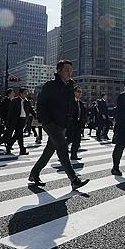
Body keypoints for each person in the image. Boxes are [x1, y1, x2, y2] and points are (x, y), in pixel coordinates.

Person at [29, 60, 89, 191]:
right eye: (67, 69)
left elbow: (71, 106)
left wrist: (71, 124)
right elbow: (41, 104)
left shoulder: (70, 86)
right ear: (59, 70)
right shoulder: (50, 85)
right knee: (62, 149)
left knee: (49, 151)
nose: (70, 72)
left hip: (63, 124)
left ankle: (34, 173)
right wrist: (46, 121)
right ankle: (74, 179)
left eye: (71, 70)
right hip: (51, 123)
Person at [5, 87, 36, 155]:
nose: (26, 94)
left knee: (18, 135)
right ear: (20, 93)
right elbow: (10, 112)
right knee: (19, 134)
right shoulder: (14, 100)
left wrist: (36, 116)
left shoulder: (27, 101)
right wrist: (8, 121)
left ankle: (10, 146)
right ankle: (21, 149)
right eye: (24, 93)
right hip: (16, 120)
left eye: (26, 93)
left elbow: (31, 109)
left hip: (23, 120)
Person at [68, 85, 86, 160]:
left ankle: (73, 155)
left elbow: (82, 114)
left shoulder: (80, 103)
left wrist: (83, 124)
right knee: (69, 140)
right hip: (71, 124)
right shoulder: (70, 101)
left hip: (78, 124)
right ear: (74, 92)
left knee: (77, 140)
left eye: (80, 92)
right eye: (78, 91)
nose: (79, 93)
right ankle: (62, 153)